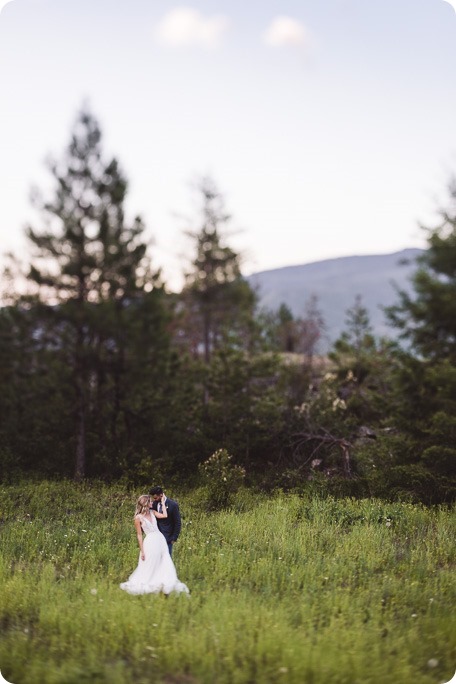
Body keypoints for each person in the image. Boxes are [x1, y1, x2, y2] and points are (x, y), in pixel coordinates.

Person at [120, 494, 189, 596]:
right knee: (150, 562)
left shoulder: (153, 512)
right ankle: (150, 582)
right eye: (151, 502)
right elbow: (139, 535)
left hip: (160, 539)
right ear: (146, 503)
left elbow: (165, 516)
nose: (152, 503)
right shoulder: (138, 518)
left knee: (164, 561)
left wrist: (163, 503)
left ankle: (165, 582)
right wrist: (142, 551)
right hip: (150, 541)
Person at [149, 486, 181, 556]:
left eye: (155, 498)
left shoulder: (173, 505)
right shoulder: (154, 504)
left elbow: (177, 522)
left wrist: (174, 538)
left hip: (168, 538)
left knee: (167, 560)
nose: (154, 500)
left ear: (161, 495)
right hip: (156, 538)